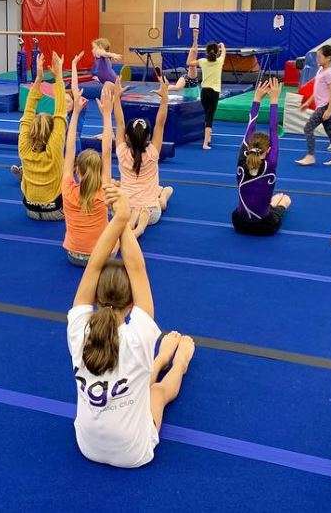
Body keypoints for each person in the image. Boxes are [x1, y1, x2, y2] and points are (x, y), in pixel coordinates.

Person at [67, 183, 195, 468]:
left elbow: (93, 267)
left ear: (97, 296)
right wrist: (123, 218)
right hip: (133, 454)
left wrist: (119, 220)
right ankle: (177, 362)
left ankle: (160, 358)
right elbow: (136, 268)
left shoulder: (79, 330)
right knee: (156, 392)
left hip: (86, 445)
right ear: (130, 305)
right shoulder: (139, 336)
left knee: (137, 377)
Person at [113, 77, 173, 237]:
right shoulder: (153, 152)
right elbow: (160, 123)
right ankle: (164, 195)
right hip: (151, 213)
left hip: (123, 212)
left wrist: (116, 98)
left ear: (126, 137)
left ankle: (163, 194)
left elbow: (119, 123)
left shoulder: (121, 151)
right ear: (148, 138)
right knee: (162, 196)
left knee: (114, 191)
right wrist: (164, 97)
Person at [62, 82, 113, 266]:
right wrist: (107, 115)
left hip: (73, 255)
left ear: (77, 169)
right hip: (100, 258)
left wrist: (74, 113)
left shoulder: (67, 188)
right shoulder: (104, 188)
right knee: (117, 220)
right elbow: (106, 151)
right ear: (99, 171)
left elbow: (69, 149)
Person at [232, 79, 290, 236]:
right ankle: (279, 203)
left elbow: (250, 125)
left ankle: (272, 204)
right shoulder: (270, 163)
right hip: (265, 227)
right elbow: (273, 129)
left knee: (265, 201)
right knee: (284, 199)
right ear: (270, 150)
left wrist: (257, 98)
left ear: (248, 148)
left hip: (239, 224)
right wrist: (274, 99)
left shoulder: (241, 161)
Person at [15, 52, 68, 220]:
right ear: (52, 131)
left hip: (29, 209)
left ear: (31, 130)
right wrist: (58, 76)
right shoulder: (54, 149)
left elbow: (28, 112)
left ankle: (24, 173)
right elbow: (60, 110)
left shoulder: (24, 148)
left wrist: (38, 78)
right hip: (55, 211)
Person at [296, 44, 331, 167]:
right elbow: (317, 90)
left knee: (308, 128)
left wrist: (328, 109)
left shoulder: (329, 73)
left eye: (319, 56)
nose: (317, 58)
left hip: (325, 106)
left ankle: (310, 156)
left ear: (328, 58)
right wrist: (308, 102)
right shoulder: (320, 70)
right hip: (322, 106)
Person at [188, 41, 225, 150]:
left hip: (204, 91)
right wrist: (222, 45)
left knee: (207, 114)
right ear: (217, 52)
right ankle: (205, 143)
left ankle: (208, 138)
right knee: (210, 117)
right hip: (214, 92)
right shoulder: (219, 61)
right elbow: (224, 52)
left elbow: (189, 63)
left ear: (207, 52)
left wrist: (193, 50)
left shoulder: (202, 61)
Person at [168, 28, 201, 101]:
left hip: (189, 83)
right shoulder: (192, 76)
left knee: (177, 88)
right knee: (192, 64)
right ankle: (195, 39)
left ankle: (195, 39)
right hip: (192, 82)